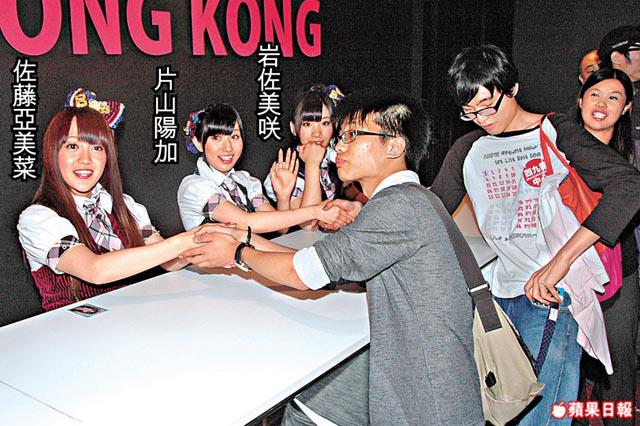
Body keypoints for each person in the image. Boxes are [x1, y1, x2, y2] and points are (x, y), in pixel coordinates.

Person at [180, 88, 484, 426]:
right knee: (314, 399)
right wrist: (247, 240)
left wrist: (238, 252)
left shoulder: (396, 208)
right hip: (422, 374)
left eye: (352, 136)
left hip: (425, 398)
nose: (338, 147)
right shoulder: (410, 199)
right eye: (340, 137)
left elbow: (302, 272)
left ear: (395, 147)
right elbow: (320, 261)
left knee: (307, 407)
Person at [430, 45, 640, 425]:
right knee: (503, 407)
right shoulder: (469, 147)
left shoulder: (555, 132)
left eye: (488, 107)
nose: (482, 119)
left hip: (552, 296)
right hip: (500, 296)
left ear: (512, 89)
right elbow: (434, 208)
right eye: (470, 112)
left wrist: (559, 263)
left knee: (541, 416)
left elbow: (629, 187)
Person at [17, 90, 200, 312]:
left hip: (127, 319)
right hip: (70, 328)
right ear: (53, 152)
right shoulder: (37, 219)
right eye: (73, 146)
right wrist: (184, 241)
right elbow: (95, 270)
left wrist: (204, 239)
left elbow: (169, 260)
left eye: (97, 148)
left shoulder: (124, 206)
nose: (85, 160)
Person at [177, 103, 352, 233]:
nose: (228, 148)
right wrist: (315, 211)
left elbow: (280, 228)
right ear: (198, 143)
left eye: (235, 137)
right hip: (209, 271)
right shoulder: (193, 187)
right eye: (216, 138)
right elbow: (246, 222)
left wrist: (283, 197)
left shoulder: (246, 180)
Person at [575, 68, 637, 425]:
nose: (602, 104)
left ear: (626, 107)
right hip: (566, 274)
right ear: (580, 99)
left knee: (618, 368)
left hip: (619, 274)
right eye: (595, 94)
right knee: (569, 366)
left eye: (614, 97)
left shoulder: (633, 155)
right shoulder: (555, 150)